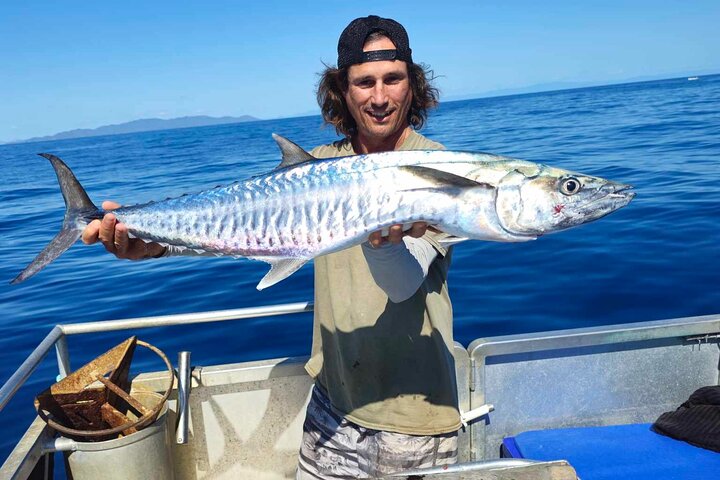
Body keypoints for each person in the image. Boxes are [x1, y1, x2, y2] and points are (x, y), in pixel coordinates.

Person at [81, 15, 459, 479]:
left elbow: (404, 286)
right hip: (332, 405)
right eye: (364, 83)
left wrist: (384, 241)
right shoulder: (317, 167)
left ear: (412, 85)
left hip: (412, 418)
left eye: (392, 80)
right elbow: (238, 227)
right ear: (342, 90)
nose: (379, 98)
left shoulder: (440, 171)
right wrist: (153, 247)